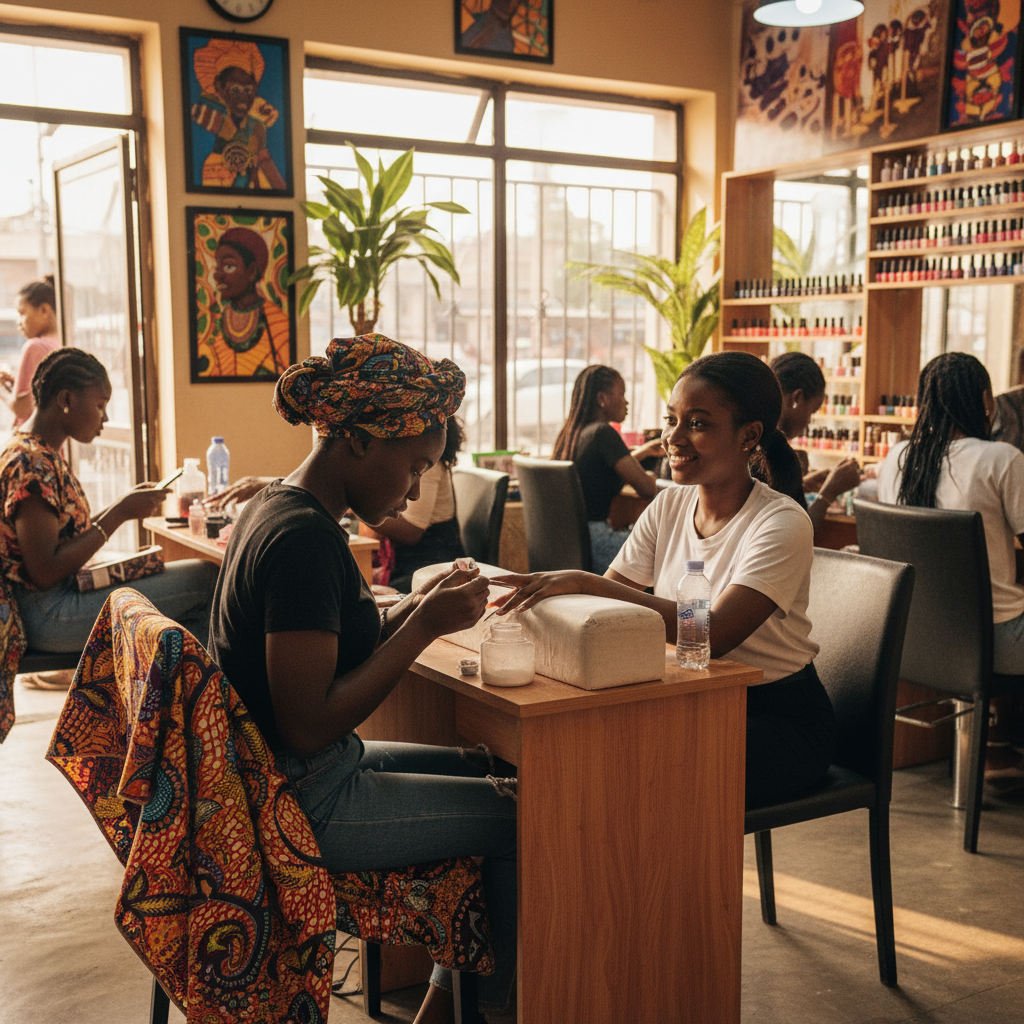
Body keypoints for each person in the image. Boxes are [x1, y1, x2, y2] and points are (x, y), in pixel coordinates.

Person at [208, 334, 517, 1024]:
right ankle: (484, 1012)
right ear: (358, 443)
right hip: (302, 803)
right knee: (528, 816)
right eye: (414, 467)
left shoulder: (279, 507)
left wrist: (406, 608)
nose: (413, 489)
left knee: (487, 765)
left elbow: (324, 647)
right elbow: (309, 722)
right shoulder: (305, 543)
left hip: (293, 777)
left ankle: (442, 1003)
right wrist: (422, 628)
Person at [495, 351, 837, 809]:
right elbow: (607, 613)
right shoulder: (670, 505)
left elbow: (711, 635)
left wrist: (586, 581)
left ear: (749, 435)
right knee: (554, 750)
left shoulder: (781, 522)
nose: (672, 438)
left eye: (697, 423)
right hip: (688, 696)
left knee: (620, 773)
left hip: (773, 719)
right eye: (670, 420)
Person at [0, 347, 219, 686]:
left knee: (198, 583)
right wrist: (119, 514)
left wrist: (123, 505)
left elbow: (61, 535)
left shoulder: (37, 452)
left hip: (57, 600)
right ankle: (192, 709)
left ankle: (164, 707)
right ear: (66, 399)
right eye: (100, 405)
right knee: (206, 580)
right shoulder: (31, 464)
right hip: (47, 614)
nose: (104, 418)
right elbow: (44, 573)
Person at [551, 364, 663, 575]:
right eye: (622, 394)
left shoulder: (571, 434)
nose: (626, 401)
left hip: (569, 545)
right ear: (602, 398)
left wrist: (641, 453)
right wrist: (649, 474)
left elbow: (598, 467)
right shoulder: (604, 433)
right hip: (598, 543)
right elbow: (648, 489)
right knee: (671, 553)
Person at [369, 415, 468, 592]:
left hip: (432, 568)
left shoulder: (426, 462)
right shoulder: (408, 458)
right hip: (411, 564)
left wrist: (355, 507)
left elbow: (411, 532)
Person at [769, 351, 863, 532]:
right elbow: (799, 533)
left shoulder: (750, 437)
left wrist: (800, 484)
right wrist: (828, 493)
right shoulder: (779, 455)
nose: (809, 422)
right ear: (796, 398)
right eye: (812, 411)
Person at [190, 37, 287, 190]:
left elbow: (275, 182)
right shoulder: (207, 118)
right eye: (235, 90)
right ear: (219, 88)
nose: (243, 97)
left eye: (248, 90)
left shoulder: (257, 127)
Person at [199, 227, 290, 379]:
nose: (217, 275)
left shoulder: (277, 324)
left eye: (228, 266)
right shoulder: (214, 325)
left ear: (252, 271)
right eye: (217, 266)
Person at [1, 277, 60, 429]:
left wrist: (1, 390)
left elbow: (22, 409)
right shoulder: (60, 343)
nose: (18, 321)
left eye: (22, 313)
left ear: (44, 310)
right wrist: (15, 385)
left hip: (33, 444)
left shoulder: (35, 347)